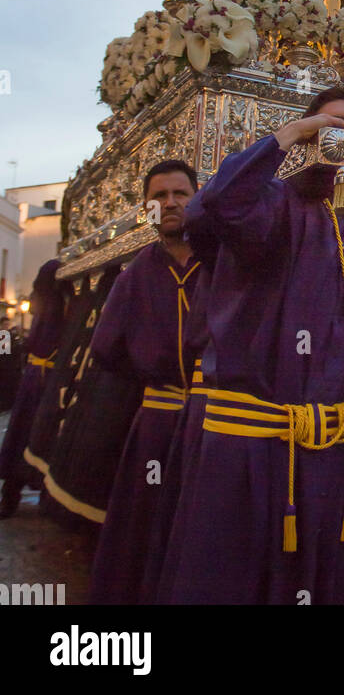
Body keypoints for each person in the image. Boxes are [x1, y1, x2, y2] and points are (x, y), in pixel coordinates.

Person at [158, 87, 344, 604]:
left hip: (337, 451)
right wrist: (291, 135)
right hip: (252, 446)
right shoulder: (274, 204)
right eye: (329, 124)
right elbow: (215, 207)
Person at [89, 161, 206, 603]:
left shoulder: (221, 259)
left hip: (214, 424)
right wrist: (151, 370)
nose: (170, 203)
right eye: (159, 196)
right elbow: (105, 348)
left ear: (197, 198)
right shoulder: (136, 273)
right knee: (145, 529)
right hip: (157, 427)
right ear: (146, 208)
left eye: (180, 193)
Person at [0, 261, 70, 518]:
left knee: (31, 435)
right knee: (25, 434)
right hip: (41, 380)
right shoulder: (53, 304)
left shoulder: (51, 304)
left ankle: (22, 492)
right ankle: (16, 492)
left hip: (40, 379)